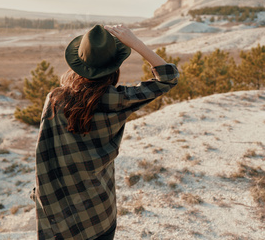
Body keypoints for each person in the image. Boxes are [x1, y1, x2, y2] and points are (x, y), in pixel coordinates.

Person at [32, 24, 179, 240]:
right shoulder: (118, 100)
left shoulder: (55, 99)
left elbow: (43, 155)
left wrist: (41, 195)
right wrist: (136, 43)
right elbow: (168, 78)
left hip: (57, 211)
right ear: (114, 67)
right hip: (98, 212)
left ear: (78, 64)